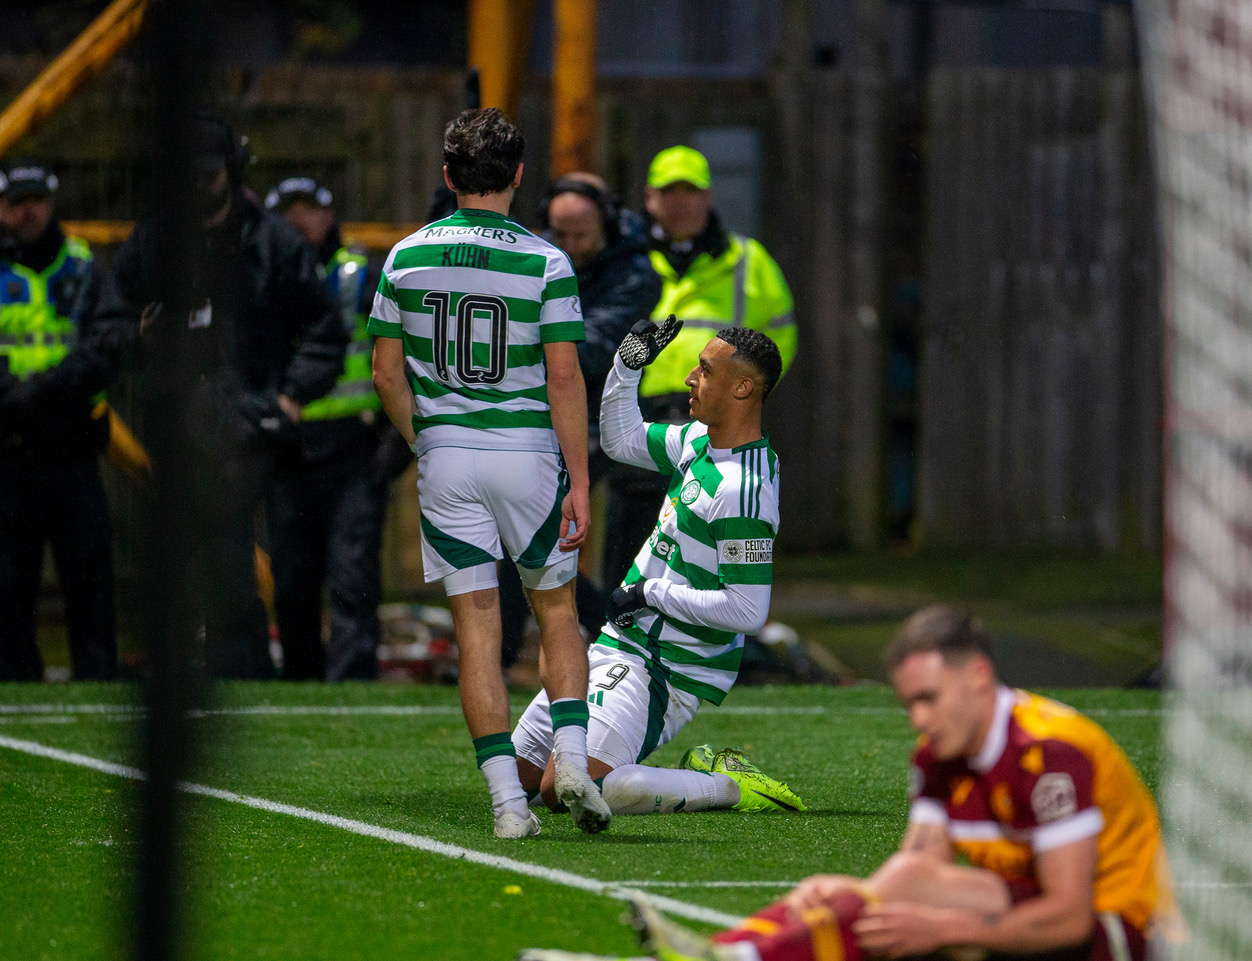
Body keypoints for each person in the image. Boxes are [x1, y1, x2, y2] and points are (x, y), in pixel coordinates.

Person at [520, 604, 1178, 961]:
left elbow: (1067, 917)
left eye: (930, 697)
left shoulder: (1052, 754)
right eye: (908, 703)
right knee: (851, 900)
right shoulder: (938, 755)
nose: (917, 718)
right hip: (1020, 903)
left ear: (979, 677)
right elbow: (917, 864)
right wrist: (841, 901)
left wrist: (936, 930)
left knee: (903, 925)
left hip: (1117, 931)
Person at [369, 107, 611, 838]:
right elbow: (564, 378)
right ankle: (570, 757)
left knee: (477, 631)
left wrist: (430, 440)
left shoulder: (405, 256)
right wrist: (579, 477)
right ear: (519, 175)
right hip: (525, 455)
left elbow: (385, 374)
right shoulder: (546, 261)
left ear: (448, 177)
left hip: (448, 460)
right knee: (558, 612)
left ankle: (508, 804)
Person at [513, 320, 805, 817]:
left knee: (564, 788)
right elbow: (622, 441)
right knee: (514, 771)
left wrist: (652, 594)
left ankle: (726, 785)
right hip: (622, 641)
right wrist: (626, 368)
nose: (691, 377)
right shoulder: (698, 441)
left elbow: (748, 612)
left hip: (668, 667)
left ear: (742, 387)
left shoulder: (743, 491)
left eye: (706, 371)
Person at [89, 115, 347, 678]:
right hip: (177, 423)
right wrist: (139, 336)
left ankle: (264, 673)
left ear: (230, 172)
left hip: (256, 425)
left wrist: (289, 399)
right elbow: (104, 328)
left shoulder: (272, 242)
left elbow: (326, 329)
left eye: (206, 174)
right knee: (198, 561)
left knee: (264, 563)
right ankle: (229, 670)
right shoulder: (154, 242)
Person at [602, 145, 797, 591]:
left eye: (691, 191)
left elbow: (779, 339)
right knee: (631, 545)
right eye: (670, 192)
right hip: (642, 415)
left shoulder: (748, 261)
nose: (681, 201)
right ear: (649, 198)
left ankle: (720, 637)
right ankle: (623, 633)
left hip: (715, 424)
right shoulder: (625, 261)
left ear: (709, 197)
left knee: (715, 542)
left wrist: (743, 398)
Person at [496, 173, 663, 668]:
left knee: (581, 547)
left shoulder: (636, 274)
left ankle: (617, 636)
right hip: (540, 419)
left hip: (606, 422)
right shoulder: (536, 260)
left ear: (607, 226)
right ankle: (518, 652)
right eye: (558, 234)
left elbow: (590, 349)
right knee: (524, 542)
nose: (568, 246)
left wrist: (520, 348)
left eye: (580, 236)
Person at [263, 177, 411, 681]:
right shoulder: (262, 272)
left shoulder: (361, 275)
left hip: (355, 448)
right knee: (292, 578)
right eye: (289, 210)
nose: (299, 220)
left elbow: (403, 354)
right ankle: (301, 678)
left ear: (330, 216)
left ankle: (352, 680)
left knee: (354, 577)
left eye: (310, 208)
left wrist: (399, 438)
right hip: (286, 448)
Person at [0, 163, 116, 681]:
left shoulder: (84, 266)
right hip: (10, 447)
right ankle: (16, 674)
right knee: (8, 580)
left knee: (88, 576)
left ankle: (96, 673)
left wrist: (45, 390)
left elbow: (103, 344)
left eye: (36, 199)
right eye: (17, 201)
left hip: (71, 447)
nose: (28, 211)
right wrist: (14, 396)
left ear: (51, 202)